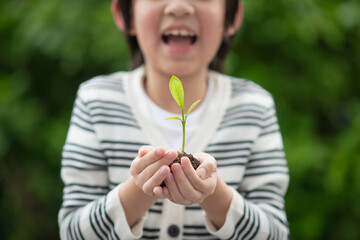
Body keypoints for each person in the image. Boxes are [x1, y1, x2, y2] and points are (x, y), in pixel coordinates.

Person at [58, 0, 290, 239]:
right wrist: (142, 190)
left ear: (232, 16)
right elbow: (73, 232)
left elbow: (275, 233)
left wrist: (213, 193)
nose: (179, 6)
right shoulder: (96, 101)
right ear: (124, 13)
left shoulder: (255, 108)